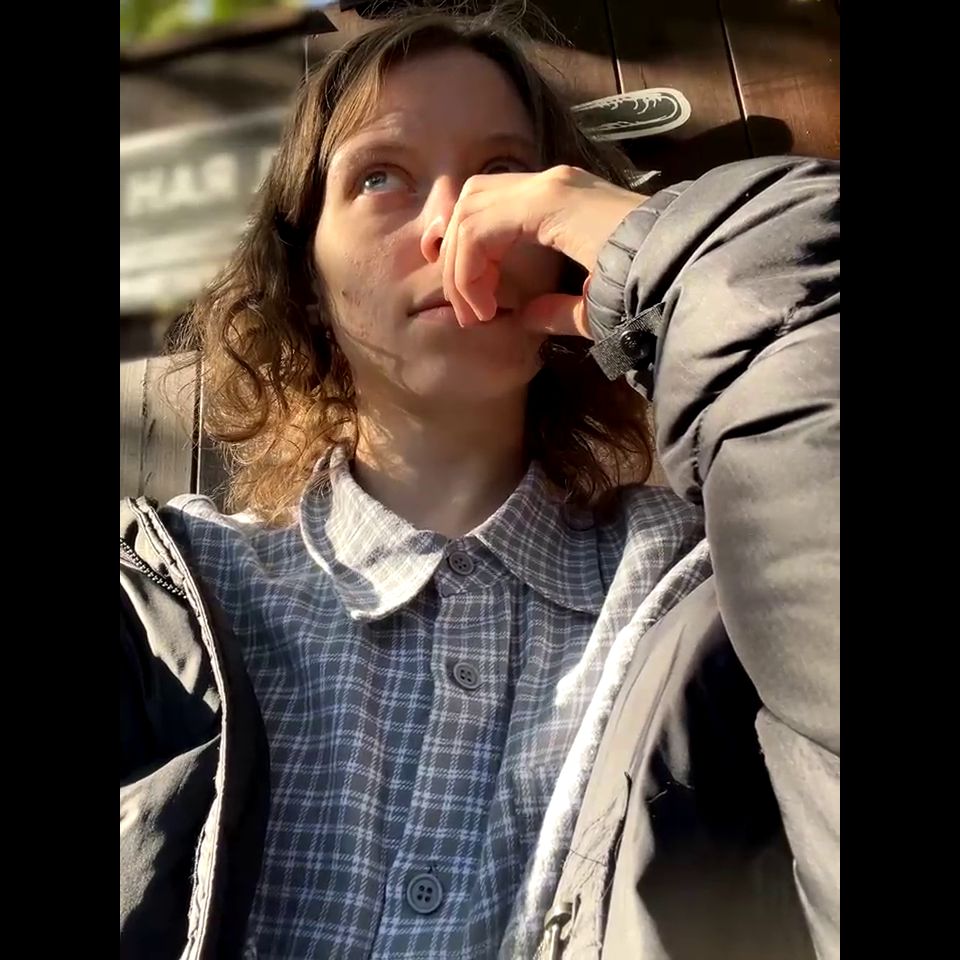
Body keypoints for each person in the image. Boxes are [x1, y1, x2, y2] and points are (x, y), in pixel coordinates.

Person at [120, 7, 839, 959]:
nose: (454, 223)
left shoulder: (715, 582)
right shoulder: (157, 611)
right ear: (306, 281)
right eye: (381, 177)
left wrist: (670, 258)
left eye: (504, 174)